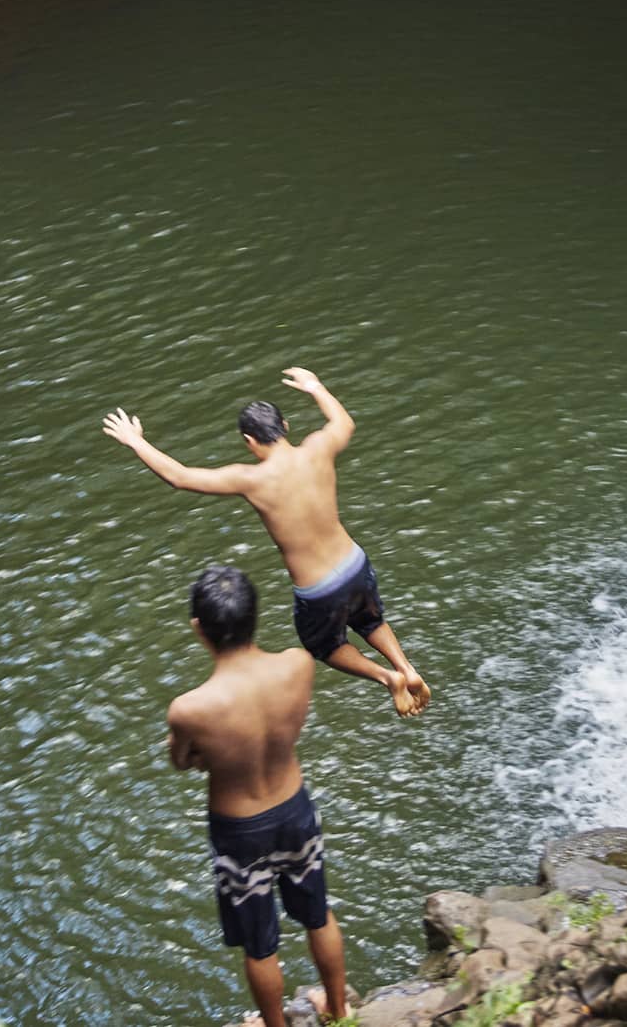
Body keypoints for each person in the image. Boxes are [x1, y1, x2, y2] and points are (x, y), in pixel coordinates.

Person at [104, 367, 430, 717]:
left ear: (249, 441)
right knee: (370, 621)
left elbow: (180, 477)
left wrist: (136, 441)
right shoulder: (318, 447)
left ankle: (388, 678)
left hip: (319, 589)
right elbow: (344, 423)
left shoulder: (251, 479)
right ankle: (406, 667)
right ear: (285, 426)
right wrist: (315, 387)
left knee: (325, 645)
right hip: (354, 562)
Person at [168, 564, 349, 1027]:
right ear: (254, 618)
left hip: (240, 830)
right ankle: (340, 1009)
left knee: (259, 942)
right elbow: (288, 728)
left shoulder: (191, 708)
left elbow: (182, 760)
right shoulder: (298, 663)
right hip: (294, 807)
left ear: (198, 629)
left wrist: (209, 755)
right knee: (317, 915)